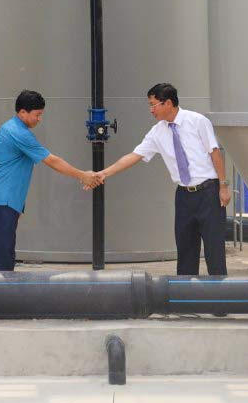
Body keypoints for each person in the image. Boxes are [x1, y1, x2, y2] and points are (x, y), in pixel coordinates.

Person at [98, 82, 231, 276]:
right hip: (184, 196)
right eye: (149, 105)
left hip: (209, 192)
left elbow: (215, 152)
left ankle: (220, 303)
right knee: (185, 250)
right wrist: (104, 173)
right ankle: (185, 301)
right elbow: (134, 156)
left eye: (153, 104)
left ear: (168, 103)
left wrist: (223, 185)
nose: (151, 110)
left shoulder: (197, 121)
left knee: (214, 250)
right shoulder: (157, 132)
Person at [0, 89, 102, 270]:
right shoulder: (18, 133)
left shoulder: (12, 128)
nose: (39, 119)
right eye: (37, 115)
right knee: (2, 254)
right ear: (22, 112)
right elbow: (52, 161)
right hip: (2, 200)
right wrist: (83, 175)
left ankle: (2, 292)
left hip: (4, 199)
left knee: (4, 251)